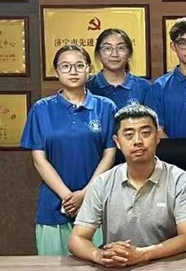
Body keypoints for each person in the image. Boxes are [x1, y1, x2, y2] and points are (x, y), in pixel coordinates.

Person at [69, 105, 186, 266]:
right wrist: (100, 256)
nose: (138, 141)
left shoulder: (180, 180)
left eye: (145, 133)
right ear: (117, 142)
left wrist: (142, 254)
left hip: (166, 268)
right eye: (129, 135)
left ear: (158, 136)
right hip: (116, 270)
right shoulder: (102, 183)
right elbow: (77, 238)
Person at [20, 44, 117, 255]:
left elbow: (109, 154)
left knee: (100, 268)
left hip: (96, 200)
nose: (73, 71)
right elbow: (39, 159)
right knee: (52, 270)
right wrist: (67, 196)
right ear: (56, 71)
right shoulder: (41, 109)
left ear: (89, 70)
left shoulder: (106, 107)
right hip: (54, 203)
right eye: (65, 66)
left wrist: (85, 194)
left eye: (79, 65)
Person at [86, 28, 151, 110]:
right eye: (107, 48)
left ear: (129, 53)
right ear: (98, 53)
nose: (114, 54)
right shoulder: (87, 86)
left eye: (121, 48)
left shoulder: (144, 87)